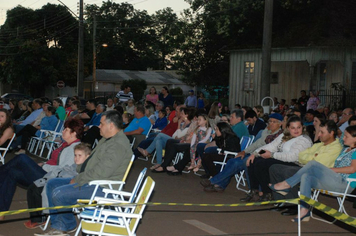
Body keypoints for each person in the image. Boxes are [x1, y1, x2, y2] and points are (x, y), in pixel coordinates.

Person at [36, 110, 132, 235]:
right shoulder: (108, 139)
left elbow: (100, 174)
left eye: (101, 124)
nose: (99, 126)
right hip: (92, 180)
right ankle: (62, 226)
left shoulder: (117, 145)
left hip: (102, 187)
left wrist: (77, 179)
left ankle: (65, 225)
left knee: (59, 193)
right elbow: (92, 161)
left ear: (111, 126)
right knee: (52, 184)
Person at [269, 125, 356, 223]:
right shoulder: (345, 150)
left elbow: (352, 169)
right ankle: (304, 209)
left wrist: (332, 170)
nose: (343, 138)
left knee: (313, 164)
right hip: (335, 180)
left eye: (346, 136)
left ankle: (287, 184)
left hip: (345, 184)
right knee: (306, 176)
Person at [0, 119, 83, 221]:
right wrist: (44, 164)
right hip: (46, 172)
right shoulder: (65, 145)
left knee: (22, 158)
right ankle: (1, 212)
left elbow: (63, 170)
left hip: (50, 177)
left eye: (66, 129)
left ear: (73, 133)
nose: (63, 131)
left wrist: (44, 166)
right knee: (12, 173)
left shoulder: (74, 148)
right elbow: (54, 161)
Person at [200, 113, 284, 192]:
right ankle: (220, 185)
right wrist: (244, 151)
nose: (271, 123)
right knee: (232, 161)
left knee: (237, 163)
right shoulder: (267, 132)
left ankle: (213, 181)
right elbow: (256, 144)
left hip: (263, 156)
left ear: (280, 124)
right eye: (270, 121)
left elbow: (268, 149)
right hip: (254, 153)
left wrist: (255, 154)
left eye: (274, 122)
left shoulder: (279, 135)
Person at [242, 116, 312, 202]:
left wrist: (272, 155)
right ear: (288, 128)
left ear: (303, 128)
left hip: (296, 163)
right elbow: (271, 146)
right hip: (282, 158)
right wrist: (255, 153)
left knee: (262, 164)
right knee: (254, 160)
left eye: (298, 127)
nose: (296, 130)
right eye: (293, 128)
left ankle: (267, 193)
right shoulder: (284, 135)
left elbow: (292, 156)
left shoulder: (303, 140)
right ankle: (254, 191)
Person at [24, 143, 91, 229]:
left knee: (38, 189)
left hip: (66, 187)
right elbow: (62, 170)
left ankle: (41, 218)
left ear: (87, 156)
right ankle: (37, 218)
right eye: (75, 155)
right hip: (58, 179)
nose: (76, 158)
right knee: (33, 187)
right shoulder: (74, 165)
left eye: (79, 155)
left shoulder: (85, 169)